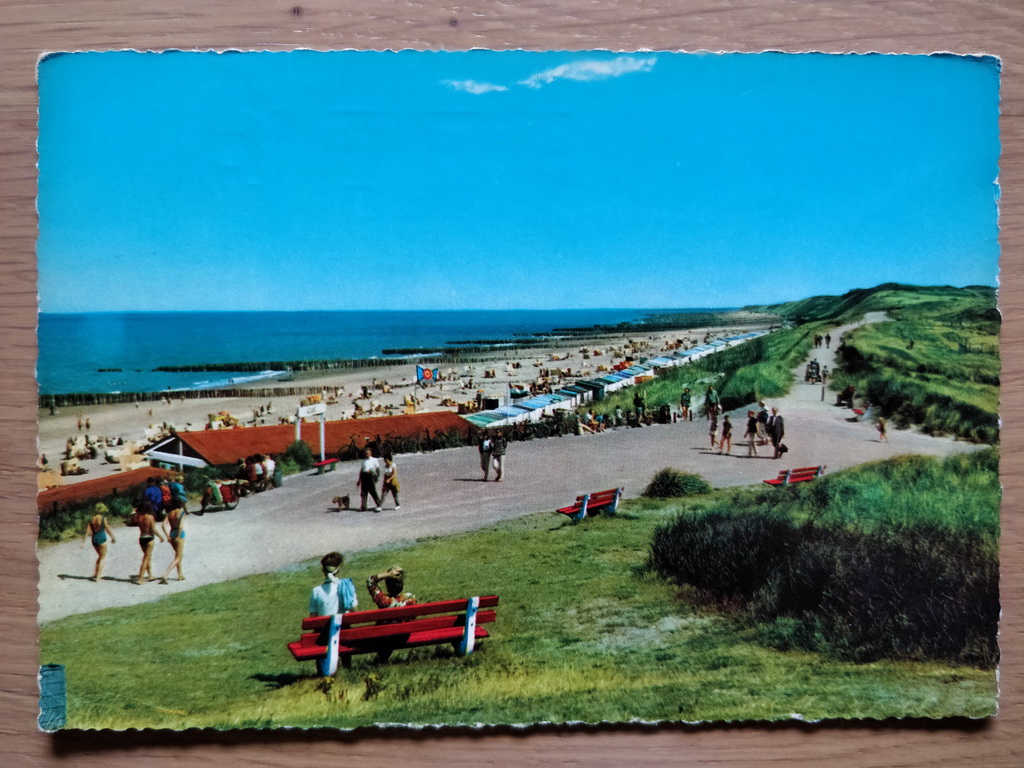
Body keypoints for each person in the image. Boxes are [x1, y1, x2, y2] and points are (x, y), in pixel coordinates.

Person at [309, 552, 358, 617]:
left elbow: (313, 617)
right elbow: (354, 611)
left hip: (324, 627)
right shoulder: (347, 586)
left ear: (323, 570)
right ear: (338, 570)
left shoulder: (316, 591)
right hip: (344, 626)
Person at [82, 503, 115, 582]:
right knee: (102, 558)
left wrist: (83, 542)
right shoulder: (103, 518)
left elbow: (88, 531)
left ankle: (95, 574)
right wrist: (112, 537)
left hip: (94, 539)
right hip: (102, 538)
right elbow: (107, 528)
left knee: (99, 557)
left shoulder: (91, 519)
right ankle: (98, 577)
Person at [135, 502, 166, 584]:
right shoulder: (150, 517)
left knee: (147, 556)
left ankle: (150, 575)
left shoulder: (138, 517)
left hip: (142, 538)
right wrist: (161, 536)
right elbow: (153, 530)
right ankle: (140, 578)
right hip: (149, 538)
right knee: (146, 558)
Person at [157, 505, 188, 583]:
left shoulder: (169, 513)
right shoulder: (181, 512)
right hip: (179, 534)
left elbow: (163, 525)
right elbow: (180, 526)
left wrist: (167, 536)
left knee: (177, 554)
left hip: (172, 533)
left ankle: (180, 574)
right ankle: (165, 574)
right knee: (178, 557)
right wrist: (179, 536)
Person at [357, 447, 382, 512]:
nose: (367, 454)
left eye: (368, 453)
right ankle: (363, 507)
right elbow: (361, 470)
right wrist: (359, 480)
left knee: (373, 491)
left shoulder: (374, 460)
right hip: (364, 476)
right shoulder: (363, 461)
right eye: (366, 453)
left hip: (370, 476)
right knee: (364, 492)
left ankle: (379, 504)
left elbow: (378, 470)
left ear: (370, 453)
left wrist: (377, 477)